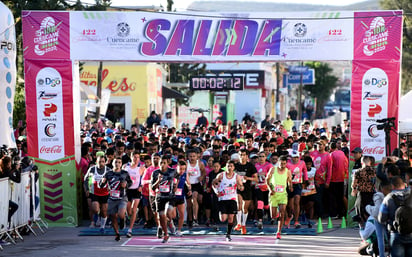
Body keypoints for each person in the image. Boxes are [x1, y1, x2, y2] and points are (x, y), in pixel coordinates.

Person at [378, 176, 412, 257]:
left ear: (392, 186)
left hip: (396, 234)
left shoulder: (388, 198)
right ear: (404, 184)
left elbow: (381, 218)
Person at [100, 157, 132, 241]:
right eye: (115, 162)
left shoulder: (124, 173)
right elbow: (101, 185)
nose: (117, 164)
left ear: (121, 164)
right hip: (112, 198)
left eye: (119, 162)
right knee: (113, 216)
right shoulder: (108, 173)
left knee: (121, 214)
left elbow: (130, 182)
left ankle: (123, 220)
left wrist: (126, 185)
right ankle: (117, 233)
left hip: (122, 197)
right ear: (112, 163)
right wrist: (102, 182)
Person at [212, 160, 244, 242]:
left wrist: (241, 187)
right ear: (225, 167)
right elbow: (213, 183)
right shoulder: (221, 175)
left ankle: (228, 234)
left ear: (234, 167)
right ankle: (221, 214)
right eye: (228, 166)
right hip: (223, 199)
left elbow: (241, 186)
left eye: (231, 166)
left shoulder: (236, 176)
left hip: (232, 199)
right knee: (223, 219)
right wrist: (216, 191)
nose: (229, 168)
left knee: (231, 217)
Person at [150, 156, 178, 243]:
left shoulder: (172, 171)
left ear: (167, 163)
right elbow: (153, 187)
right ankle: (166, 234)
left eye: (164, 163)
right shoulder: (155, 173)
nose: (162, 165)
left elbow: (177, 179)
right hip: (160, 197)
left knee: (168, 211)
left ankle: (170, 222)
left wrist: (175, 187)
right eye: (160, 163)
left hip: (170, 196)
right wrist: (158, 181)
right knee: (161, 216)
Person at [266, 155, 292, 239]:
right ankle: (275, 213)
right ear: (278, 162)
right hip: (274, 194)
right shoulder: (273, 169)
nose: (282, 165)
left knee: (282, 212)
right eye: (281, 163)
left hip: (283, 195)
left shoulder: (288, 171)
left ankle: (278, 232)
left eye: (284, 164)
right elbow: (267, 180)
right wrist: (270, 189)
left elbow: (289, 181)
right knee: (273, 216)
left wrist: (290, 186)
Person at [234, 149, 258, 235]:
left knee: (245, 208)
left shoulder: (250, 166)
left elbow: (256, 178)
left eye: (244, 155)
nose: (242, 157)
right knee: (238, 205)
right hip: (238, 188)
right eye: (240, 155)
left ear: (247, 156)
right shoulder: (235, 165)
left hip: (247, 188)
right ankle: (238, 223)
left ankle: (243, 225)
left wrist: (248, 178)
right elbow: (231, 175)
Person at [84, 155, 110, 232]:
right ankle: (96, 216)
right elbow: (85, 180)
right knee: (95, 209)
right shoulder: (92, 169)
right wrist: (87, 189)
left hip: (105, 193)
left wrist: (111, 188)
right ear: (96, 162)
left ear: (105, 162)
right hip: (95, 192)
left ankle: (102, 226)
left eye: (102, 162)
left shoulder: (108, 170)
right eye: (99, 162)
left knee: (104, 211)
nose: (100, 163)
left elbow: (113, 180)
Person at [123, 151, 145, 237]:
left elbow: (144, 178)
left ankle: (130, 229)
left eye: (138, 157)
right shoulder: (126, 167)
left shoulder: (141, 168)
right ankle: (130, 217)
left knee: (133, 208)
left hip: (136, 190)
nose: (136, 159)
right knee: (128, 211)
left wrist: (141, 186)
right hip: (128, 190)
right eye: (134, 157)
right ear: (131, 157)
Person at [285, 150, 308, 228]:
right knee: (289, 205)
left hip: (298, 184)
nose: (295, 159)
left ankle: (296, 221)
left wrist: (306, 180)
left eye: (297, 157)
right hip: (288, 184)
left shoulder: (302, 163)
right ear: (291, 157)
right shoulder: (287, 163)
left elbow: (305, 171)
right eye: (294, 157)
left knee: (297, 201)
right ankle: (289, 216)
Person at [352, 156, 376, 227]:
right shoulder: (375, 171)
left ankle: (362, 229)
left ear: (362, 162)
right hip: (372, 194)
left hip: (362, 194)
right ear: (370, 162)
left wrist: (354, 189)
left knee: (360, 214)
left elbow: (354, 184)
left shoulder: (358, 171)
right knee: (371, 214)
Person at [171, 160, 191, 237]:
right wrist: (176, 183)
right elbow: (173, 189)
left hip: (181, 197)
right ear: (177, 168)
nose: (182, 171)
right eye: (180, 169)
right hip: (172, 197)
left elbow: (188, 183)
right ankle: (171, 226)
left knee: (182, 214)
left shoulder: (185, 175)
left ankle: (179, 230)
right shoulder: (173, 175)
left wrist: (189, 190)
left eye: (183, 169)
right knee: (172, 216)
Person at [186, 149, 206, 227]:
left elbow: (204, 172)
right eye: (190, 156)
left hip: (197, 184)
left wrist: (201, 177)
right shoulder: (186, 164)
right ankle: (191, 220)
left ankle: (196, 218)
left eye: (194, 156)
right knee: (189, 203)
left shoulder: (200, 163)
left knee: (196, 199)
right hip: (188, 184)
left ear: (197, 156)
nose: (192, 158)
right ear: (188, 157)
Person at [254, 151, 273, 229]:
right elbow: (254, 176)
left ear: (266, 157)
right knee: (259, 203)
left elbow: (272, 176)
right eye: (260, 157)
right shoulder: (256, 166)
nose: (261, 158)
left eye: (263, 156)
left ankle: (271, 216)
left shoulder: (269, 165)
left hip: (267, 187)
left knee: (266, 206)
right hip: (258, 187)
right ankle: (260, 221)